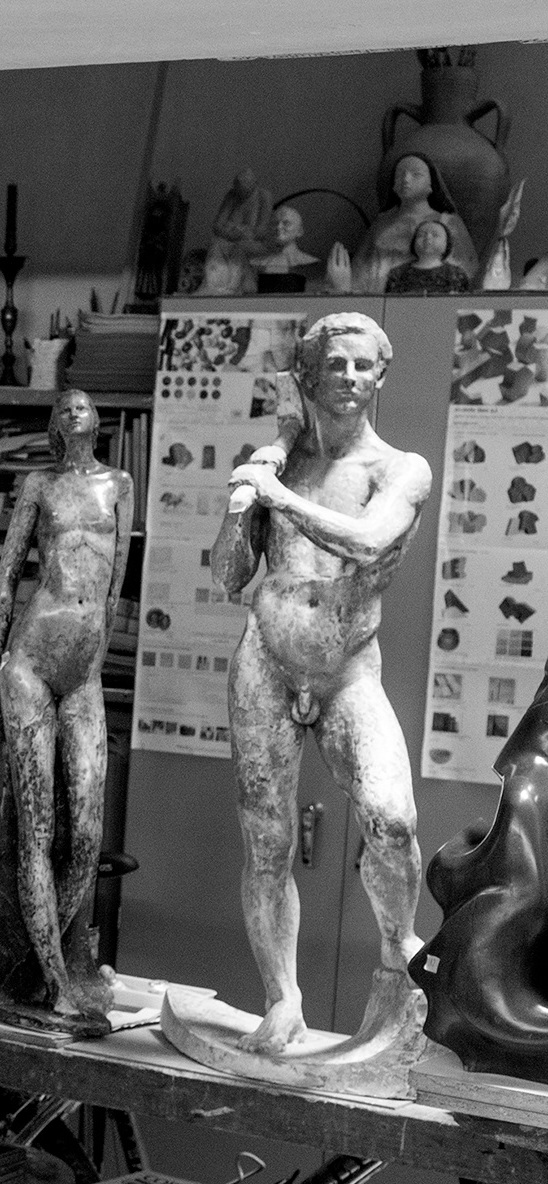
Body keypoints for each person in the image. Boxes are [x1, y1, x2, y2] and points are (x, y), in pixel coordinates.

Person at [211, 313, 432, 1054]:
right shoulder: (278, 463)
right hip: (266, 662)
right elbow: (230, 576)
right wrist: (244, 502)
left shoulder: (401, 469)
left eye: (362, 365)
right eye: (333, 363)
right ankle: (283, 997)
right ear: (306, 375)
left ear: (381, 376)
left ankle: (397, 950)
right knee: (266, 841)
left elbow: (367, 540)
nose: (348, 376)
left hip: (345, 669)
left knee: (391, 819)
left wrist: (276, 497)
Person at [0, 389, 133, 1019]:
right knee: (37, 829)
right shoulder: (39, 485)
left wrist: (95, 657)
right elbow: (6, 581)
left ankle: (30, 966)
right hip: (31, 661)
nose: (74, 412)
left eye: (83, 405)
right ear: (54, 423)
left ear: (98, 420)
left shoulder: (119, 485)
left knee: (88, 837)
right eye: (64, 406)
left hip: (84, 671)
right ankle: (54, 980)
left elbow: (115, 587)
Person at [356, 152, 477, 292]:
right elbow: (360, 267)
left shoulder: (449, 222)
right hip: (381, 296)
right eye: (400, 175)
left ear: (431, 184)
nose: (406, 179)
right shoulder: (382, 223)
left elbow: (469, 271)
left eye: (416, 175)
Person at [384, 218, 474, 294]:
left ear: (446, 243)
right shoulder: (398, 273)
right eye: (421, 235)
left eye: (435, 235)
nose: (428, 238)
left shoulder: (456, 274)